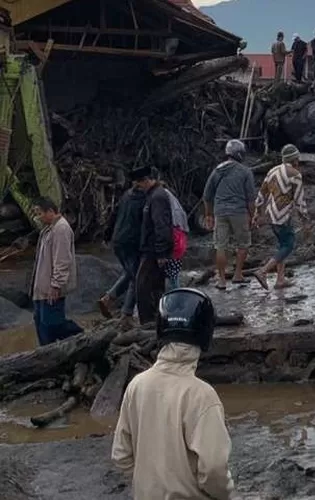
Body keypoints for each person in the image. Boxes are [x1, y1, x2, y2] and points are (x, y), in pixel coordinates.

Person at [112, 288, 240, 500]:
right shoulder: (202, 396)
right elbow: (214, 469)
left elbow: (121, 455)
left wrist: (150, 484)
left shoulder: (137, 386)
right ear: (205, 334)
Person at [252, 144, 309, 290]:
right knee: (288, 245)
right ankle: (263, 271)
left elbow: (261, 193)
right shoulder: (295, 174)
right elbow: (299, 201)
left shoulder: (272, 171)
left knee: (281, 245)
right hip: (282, 216)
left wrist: (257, 213)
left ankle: (280, 279)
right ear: (295, 159)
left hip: (271, 214)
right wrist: (305, 220)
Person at [203, 140, 256, 290]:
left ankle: (221, 280)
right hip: (239, 211)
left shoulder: (217, 170)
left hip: (220, 212)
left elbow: (207, 196)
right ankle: (238, 275)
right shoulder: (245, 171)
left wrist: (208, 215)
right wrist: (253, 215)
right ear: (240, 153)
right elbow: (250, 198)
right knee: (243, 244)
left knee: (220, 246)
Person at [30, 197, 82, 346]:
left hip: (51, 288)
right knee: (41, 323)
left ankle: (80, 336)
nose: (37, 217)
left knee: (52, 324)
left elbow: (62, 259)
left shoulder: (61, 229)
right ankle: (45, 354)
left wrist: (56, 284)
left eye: (40, 213)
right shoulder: (50, 228)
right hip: (42, 287)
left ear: (51, 211)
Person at [99, 172, 147, 326]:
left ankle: (108, 298)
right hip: (132, 242)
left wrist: (107, 235)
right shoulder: (144, 200)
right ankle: (126, 314)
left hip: (118, 240)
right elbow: (145, 223)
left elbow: (113, 214)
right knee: (136, 277)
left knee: (129, 272)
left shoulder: (126, 196)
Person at [135, 168, 173, 325]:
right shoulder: (153, 195)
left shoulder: (157, 197)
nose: (139, 187)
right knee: (154, 285)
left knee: (143, 285)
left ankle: (149, 320)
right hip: (151, 248)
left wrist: (161, 252)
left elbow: (161, 226)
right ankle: (157, 318)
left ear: (146, 180)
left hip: (154, 250)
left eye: (140, 184)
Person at [164, 187, 189, 291]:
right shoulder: (178, 212)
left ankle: (173, 299)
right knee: (174, 276)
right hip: (178, 246)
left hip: (173, 247)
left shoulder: (163, 197)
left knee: (172, 279)